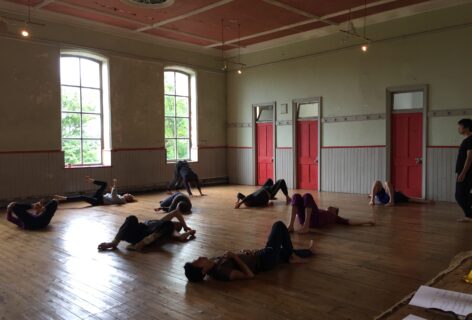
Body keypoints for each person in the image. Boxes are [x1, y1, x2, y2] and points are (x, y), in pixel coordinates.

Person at [184, 221, 314, 282]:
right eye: (198, 261)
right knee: (279, 225)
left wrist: (243, 253)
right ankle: (292, 255)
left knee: (282, 251)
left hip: (259, 255)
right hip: (264, 261)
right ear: (202, 270)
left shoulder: (213, 262)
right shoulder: (221, 272)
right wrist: (235, 256)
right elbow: (249, 275)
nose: (200, 257)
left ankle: (307, 252)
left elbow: (234, 258)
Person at [97, 209, 196, 252]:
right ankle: (114, 243)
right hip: (137, 232)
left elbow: (181, 237)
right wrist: (185, 226)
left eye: (178, 225)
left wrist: (190, 232)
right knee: (132, 218)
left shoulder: (170, 229)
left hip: (143, 238)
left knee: (168, 224)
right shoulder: (162, 221)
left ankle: (142, 244)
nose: (177, 223)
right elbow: (176, 212)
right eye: (177, 223)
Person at [288, 193, 375, 233]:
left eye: (333, 208)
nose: (330, 207)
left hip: (315, 220)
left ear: (335, 212)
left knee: (307, 196)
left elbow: (348, 221)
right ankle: (290, 226)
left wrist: (367, 222)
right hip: (305, 219)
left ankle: (306, 227)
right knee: (296, 196)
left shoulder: (334, 217)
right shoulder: (322, 210)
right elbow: (299, 213)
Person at [54, 176, 134, 206]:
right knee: (105, 184)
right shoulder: (121, 198)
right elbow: (112, 195)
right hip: (100, 197)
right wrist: (112, 189)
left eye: (128, 195)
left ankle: (64, 198)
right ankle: (91, 180)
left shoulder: (122, 200)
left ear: (128, 198)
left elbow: (114, 196)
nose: (127, 194)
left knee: (82, 197)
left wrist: (115, 184)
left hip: (98, 201)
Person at [455, 118, 472, 222]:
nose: (458, 129)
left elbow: (469, 158)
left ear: (466, 128)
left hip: (467, 173)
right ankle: (469, 215)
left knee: (459, 195)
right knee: (463, 195)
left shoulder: (471, 139)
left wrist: (463, 173)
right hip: (464, 172)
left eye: (460, 127)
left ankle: (469, 215)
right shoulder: (467, 139)